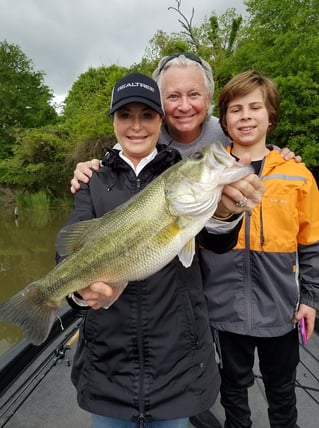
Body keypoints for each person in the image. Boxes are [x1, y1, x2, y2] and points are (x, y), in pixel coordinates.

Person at [69, 54, 301, 428]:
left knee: (264, 389)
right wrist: (77, 293)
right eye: (125, 116)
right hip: (109, 359)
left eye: (194, 94)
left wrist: (269, 165)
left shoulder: (212, 147)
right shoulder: (97, 177)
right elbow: (73, 245)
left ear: (208, 100)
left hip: (187, 330)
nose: (137, 125)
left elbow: (251, 144)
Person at [201, 70, 319, 428]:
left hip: (279, 311)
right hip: (223, 308)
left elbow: (312, 246)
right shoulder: (207, 169)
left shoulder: (299, 175)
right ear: (223, 120)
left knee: (283, 392)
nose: (246, 116)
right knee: (233, 389)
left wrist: (310, 300)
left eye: (255, 107)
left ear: (271, 116)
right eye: (236, 109)